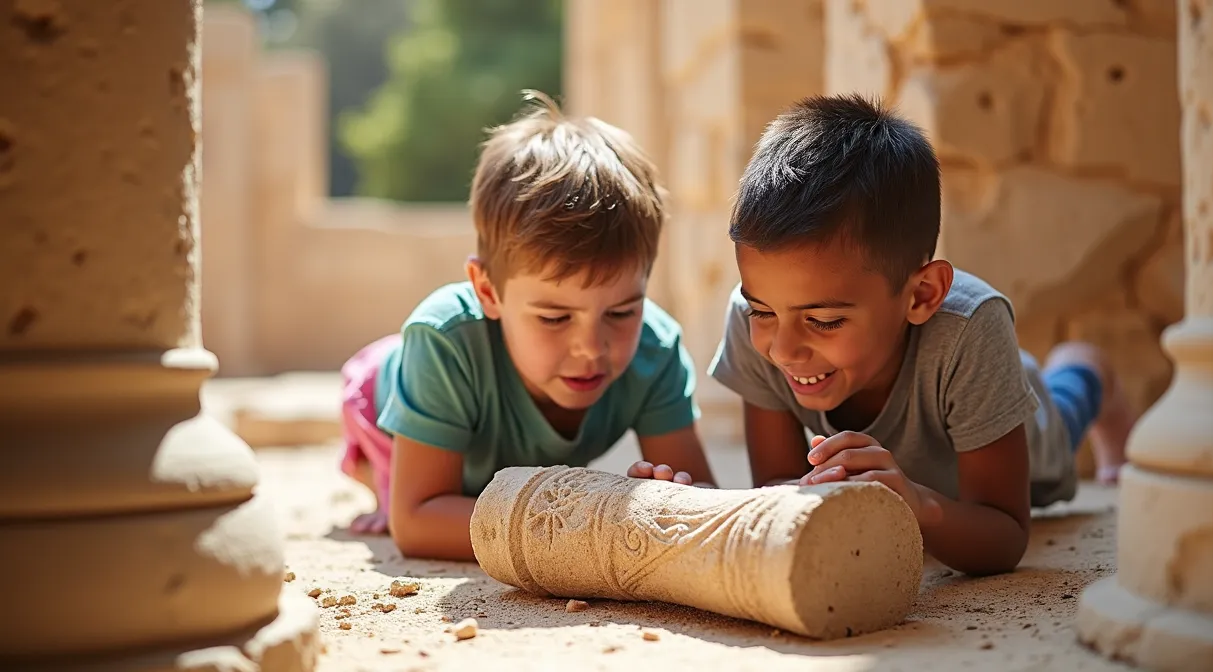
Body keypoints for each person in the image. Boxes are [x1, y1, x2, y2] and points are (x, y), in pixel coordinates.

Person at [708, 93, 1137, 576]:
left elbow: (1005, 535)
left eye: (824, 320)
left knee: (1067, 404)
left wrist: (918, 504)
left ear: (921, 295)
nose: (781, 349)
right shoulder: (752, 325)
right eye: (763, 310)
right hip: (934, 467)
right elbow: (779, 490)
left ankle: (1090, 368)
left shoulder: (970, 330)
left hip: (1019, 435)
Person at [339, 91, 716, 561]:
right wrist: (590, 525)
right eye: (555, 317)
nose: (591, 348)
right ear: (488, 290)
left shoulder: (655, 349)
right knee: (415, 480)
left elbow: (700, 496)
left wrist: (667, 498)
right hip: (382, 399)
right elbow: (417, 522)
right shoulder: (442, 341)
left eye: (621, 312)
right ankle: (377, 473)